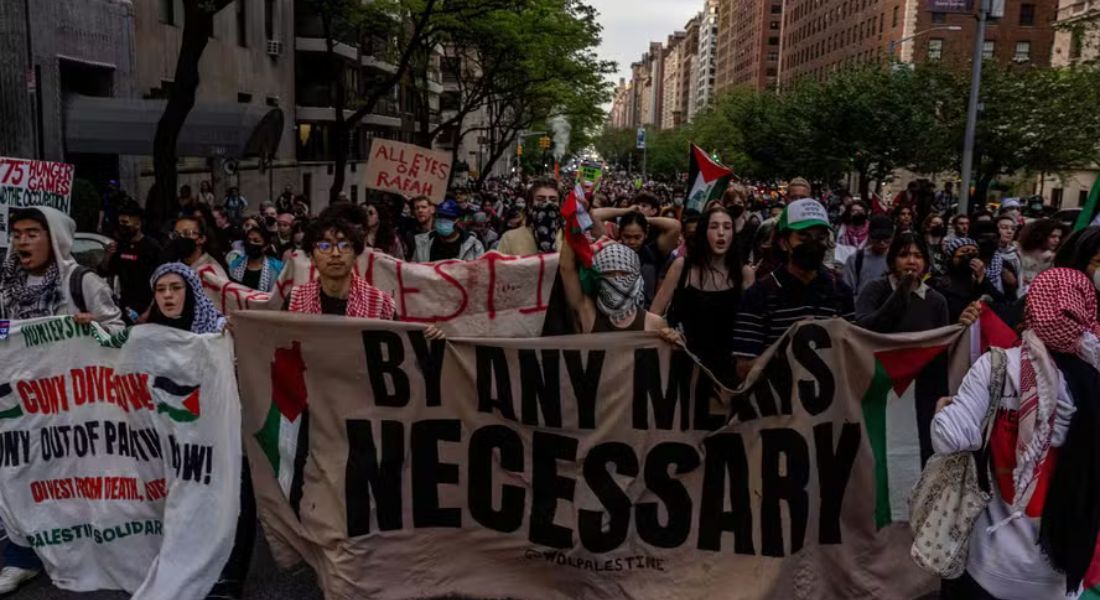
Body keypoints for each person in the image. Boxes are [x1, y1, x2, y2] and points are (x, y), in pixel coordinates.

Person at [933, 268, 1100, 600]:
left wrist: (942, 410)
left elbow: (948, 437)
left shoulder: (995, 367)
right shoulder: (1094, 378)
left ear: (1031, 309)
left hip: (989, 566)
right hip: (1061, 572)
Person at [0, 207, 124, 594]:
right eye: (17, 233)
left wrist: (95, 329)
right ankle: (20, 557)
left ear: (53, 237)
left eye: (32, 232)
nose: (22, 240)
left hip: (72, 404)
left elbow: (119, 332)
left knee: (69, 478)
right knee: (15, 475)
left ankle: (84, 549)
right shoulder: (6, 286)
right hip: (20, 403)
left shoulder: (81, 282)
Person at [733, 199, 855, 381]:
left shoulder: (839, 291)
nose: (813, 244)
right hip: (778, 405)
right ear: (784, 243)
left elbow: (852, 357)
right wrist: (789, 344)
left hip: (826, 406)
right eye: (804, 237)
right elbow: (743, 369)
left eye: (820, 238)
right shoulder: (759, 294)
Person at [651, 206, 755, 386]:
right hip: (683, 367)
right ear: (703, 232)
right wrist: (666, 331)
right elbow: (653, 316)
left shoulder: (744, 274)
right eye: (714, 227)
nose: (721, 233)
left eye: (727, 227)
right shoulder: (681, 267)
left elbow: (752, 327)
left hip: (726, 374)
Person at [855, 233, 979, 333]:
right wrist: (901, 292)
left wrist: (958, 325)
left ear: (925, 263)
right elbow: (864, 330)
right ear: (892, 261)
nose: (911, 261)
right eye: (903, 255)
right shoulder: (874, 289)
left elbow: (941, 342)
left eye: (918, 256)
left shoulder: (936, 300)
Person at [559, 238, 668, 334]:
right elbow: (566, 267)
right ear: (599, 277)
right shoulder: (588, 312)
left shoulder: (654, 323)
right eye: (609, 273)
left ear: (637, 277)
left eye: (625, 273)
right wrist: (589, 251)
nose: (617, 279)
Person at [594, 207, 682, 307]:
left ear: (645, 234)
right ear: (620, 233)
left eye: (637, 237)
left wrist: (643, 218)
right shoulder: (612, 251)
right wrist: (626, 211)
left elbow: (675, 226)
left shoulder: (654, 252)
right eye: (627, 237)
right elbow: (595, 215)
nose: (632, 242)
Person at [102, 201, 162, 321]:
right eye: (120, 222)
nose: (122, 227)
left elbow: (160, 282)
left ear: (138, 223)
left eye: (125, 223)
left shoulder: (152, 247)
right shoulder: (120, 246)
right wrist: (108, 255)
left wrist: (148, 311)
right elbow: (104, 271)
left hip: (147, 309)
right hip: (125, 308)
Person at [930, 237, 1004, 323]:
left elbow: (1001, 302)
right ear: (952, 258)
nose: (969, 256)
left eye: (974, 252)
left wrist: (982, 279)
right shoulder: (939, 283)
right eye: (964, 252)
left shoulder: (979, 279)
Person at [497, 179, 563, 256]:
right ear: (530, 205)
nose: (547, 203)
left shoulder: (570, 239)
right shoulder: (509, 239)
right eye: (540, 199)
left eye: (553, 200)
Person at [411, 199, 484, 262]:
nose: (443, 220)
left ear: (457, 220)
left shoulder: (474, 246)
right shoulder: (423, 242)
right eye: (440, 216)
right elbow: (414, 269)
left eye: (448, 217)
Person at [165, 215, 229, 281]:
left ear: (201, 239)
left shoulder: (211, 273)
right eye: (176, 235)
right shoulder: (175, 264)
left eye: (187, 233)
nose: (180, 238)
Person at [843, 214, 894, 296]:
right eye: (877, 238)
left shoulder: (896, 259)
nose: (882, 243)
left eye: (886, 238)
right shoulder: (856, 259)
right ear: (870, 236)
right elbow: (847, 289)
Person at [228, 227, 284, 292]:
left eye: (256, 241)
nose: (251, 243)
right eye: (248, 240)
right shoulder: (236, 264)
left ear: (266, 246)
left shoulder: (277, 268)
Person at [1018, 218, 1065, 294]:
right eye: (1052, 236)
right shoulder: (1019, 251)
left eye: (1059, 237)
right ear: (1041, 236)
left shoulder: (1053, 258)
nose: (1057, 240)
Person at [923, 213, 948, 277]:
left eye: (941, 224)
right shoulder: (921, 243)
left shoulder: (946, 243)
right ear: (927, 226)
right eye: (935, 223)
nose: (938, 225)